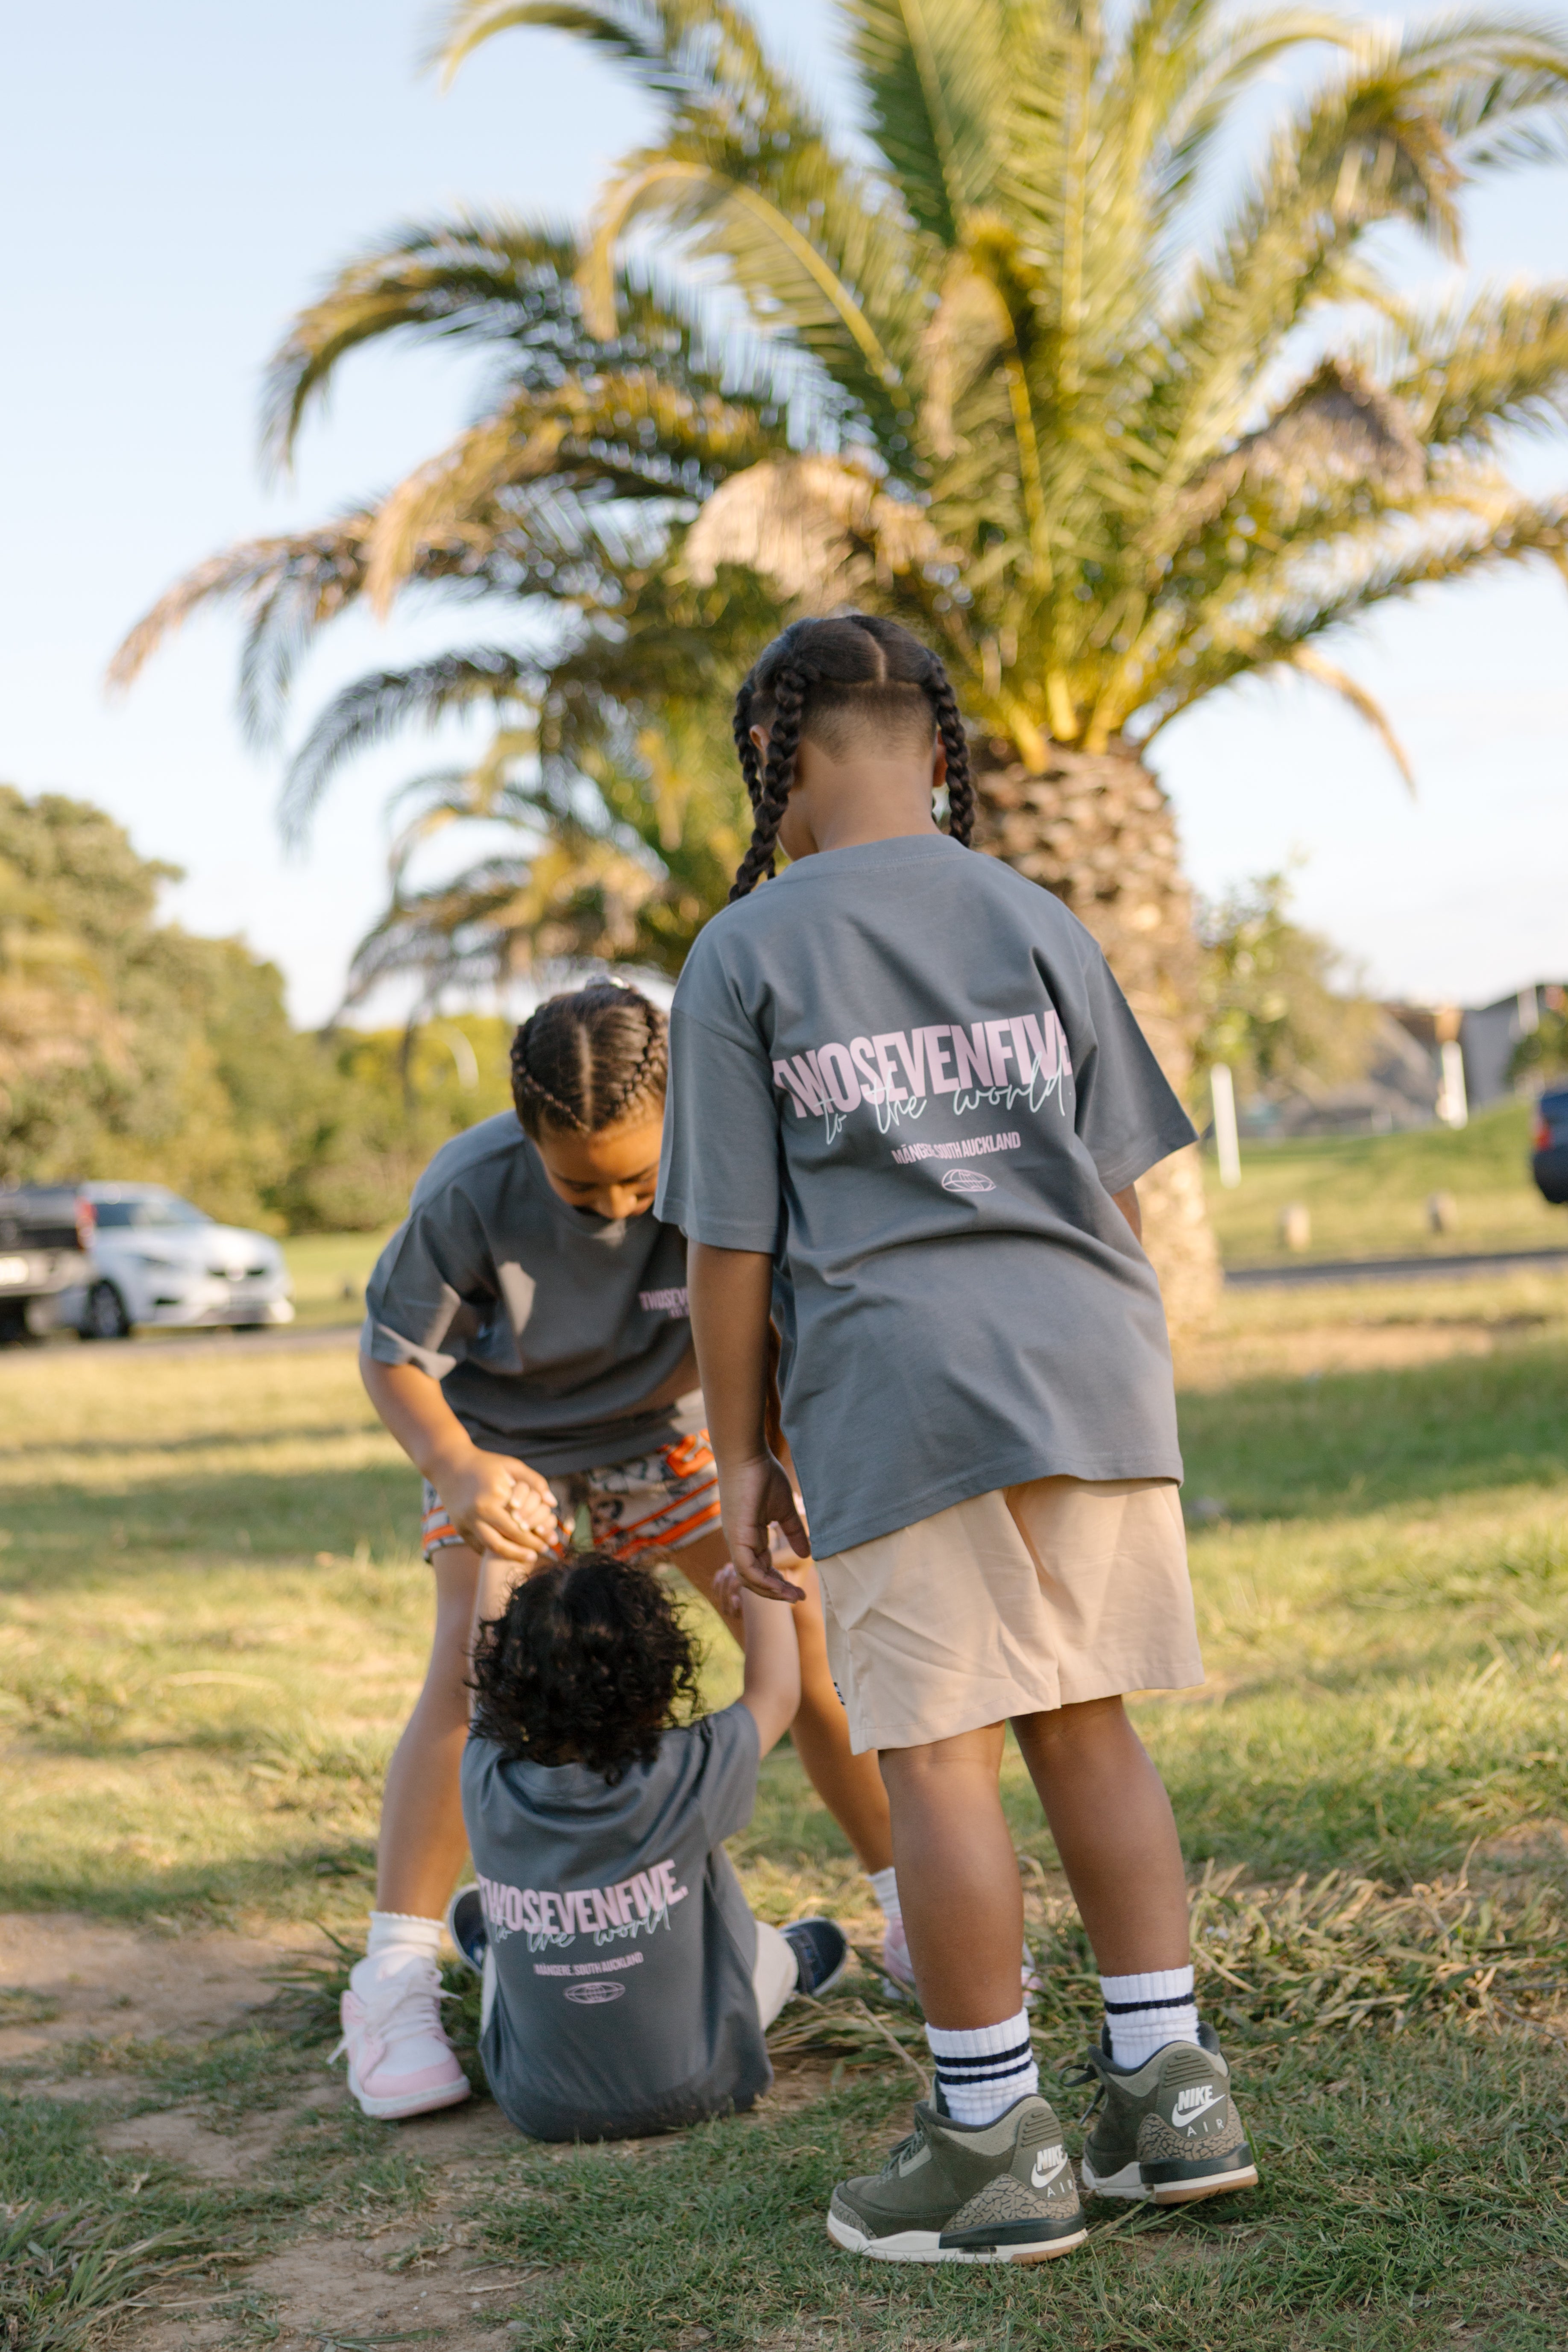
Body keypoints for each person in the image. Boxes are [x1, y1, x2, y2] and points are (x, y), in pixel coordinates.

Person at [656, 615, 1257, 2265]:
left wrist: (745, 1441)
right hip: (1094, 1367)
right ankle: (1171, 2094)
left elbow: (729, 1245)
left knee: (936, 1754)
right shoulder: (1032, 909)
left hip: (893, 1385)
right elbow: (1119, 1182)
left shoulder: (748, 949)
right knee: (1088, 1722)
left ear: (778, 760)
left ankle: (992, 2135)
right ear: (937, 749)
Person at [334, 982, 897, 2122]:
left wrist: (773, 1474)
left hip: (670, 1438)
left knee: (811, 1646)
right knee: (466, 1674)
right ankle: (392, 1975)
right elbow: (393, 1355)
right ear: (527, 1137)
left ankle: (918, 1909)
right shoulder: (467, 1186)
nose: (621, 1202)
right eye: (582, 1184)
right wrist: (453, 1468)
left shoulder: (731, 1154)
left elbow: (777, 1328)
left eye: (641, 1180)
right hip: (509, 1453)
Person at [444, 1547, 847, 2140]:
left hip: (538, 2104)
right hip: (705, 2083)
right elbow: (777, 1692)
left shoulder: (483, 1772)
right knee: (774, 1947)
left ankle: (499, 1952)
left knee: (489, 1920)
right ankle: (796, 1964)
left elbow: (480, 1690)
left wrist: (506, 1547)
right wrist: (763, 1581)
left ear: (505, 1667)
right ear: (658, 1669)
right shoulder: (689, 1767)